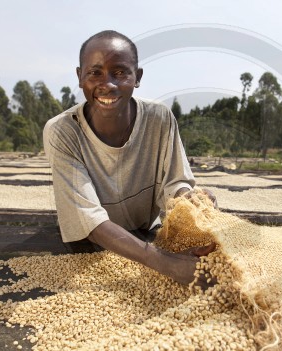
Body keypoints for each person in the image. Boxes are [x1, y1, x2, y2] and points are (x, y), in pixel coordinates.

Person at [43, 30, 216, 286]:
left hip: (145, 233)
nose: (108, 84)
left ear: (138, 78)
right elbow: (87, 217)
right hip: (88, 248)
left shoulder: (160, 119)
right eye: (95, 73)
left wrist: (189, 202)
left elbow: (174, 183)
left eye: (120, 72)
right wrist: (166, 262)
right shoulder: (63, 131)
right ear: (80, 77)